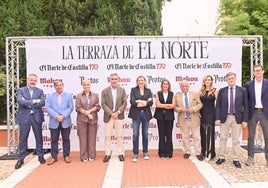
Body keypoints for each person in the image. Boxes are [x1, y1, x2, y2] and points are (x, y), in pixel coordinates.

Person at [215, 72, 248, 168]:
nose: (231, 80)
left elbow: (246, 106)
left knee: (236, 140)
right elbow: (218, 106)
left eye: (232, 78)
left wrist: (245, 120)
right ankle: (221, 157)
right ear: (226, 80)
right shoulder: (222, 91)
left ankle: (236, 159)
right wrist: (217, 118)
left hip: (237, 118)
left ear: (235, 79)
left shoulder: (242, 90)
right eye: (229, 78)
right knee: (223, 138)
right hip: (224, 117)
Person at [15, 74, 46, 169]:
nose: (32, 81)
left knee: (39, 137)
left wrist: (27, 102)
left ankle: (40, 156)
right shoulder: (21, 90)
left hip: (36, 117)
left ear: (36, 81)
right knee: (23, 139)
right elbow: (20, 101)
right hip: (24, 117)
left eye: (34, 80)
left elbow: (42, 103)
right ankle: (20, 159)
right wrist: (34, 101)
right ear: (27, 80)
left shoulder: (40, 91)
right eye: (31, 80)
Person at [45, 80, 74, 165]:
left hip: (65, 121)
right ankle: (54, 157)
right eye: (57, 85)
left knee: (66, 139)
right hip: (54, 121)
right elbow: (48, 108)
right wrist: (57, 116)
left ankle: (66, 155)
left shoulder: (68, 96)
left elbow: (71, 107)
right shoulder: (50, 96)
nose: (59, 86)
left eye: (60, 85)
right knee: (54, 140)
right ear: (54, 87)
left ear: (63, 86)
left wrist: (63, 115)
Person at [245, 64, 268, 166]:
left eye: (259, 70)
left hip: (265, 112)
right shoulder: (248, 85)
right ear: (253, 72)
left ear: (263, 71)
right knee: (251, 136)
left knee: (267, 136)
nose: (257, 72)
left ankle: (267, 158)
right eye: (255, 71)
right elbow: (246, 101)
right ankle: (250, 157)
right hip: (253, 112)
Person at [174, 79, 203, 161]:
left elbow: (200, 104)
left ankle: (198, 153)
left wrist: (194, 109)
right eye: (182, 86)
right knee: (185, 137)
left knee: (197, 137)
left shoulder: (195, 94)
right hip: (183, 119)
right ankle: (187, 152)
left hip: (194, 118)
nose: (184, 87)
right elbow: (174, 107)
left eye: (186, 86)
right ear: (180, 87)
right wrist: (180, 109)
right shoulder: (177, 96)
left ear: (188, 86)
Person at [101, 73, 127, 162]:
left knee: (119, 135)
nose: (114, 80)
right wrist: (112, 113)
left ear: (118, 80)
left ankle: (120, 153)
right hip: (109, 116)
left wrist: (118, 112)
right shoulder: (105, 91)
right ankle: (107, 153)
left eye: (116, 79)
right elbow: (103, 104)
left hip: (119, 116)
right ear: (109, 80)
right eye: (112, 79)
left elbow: (124, 103)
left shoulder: (122, 90)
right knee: (107, 135)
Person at [128, 76, 153, 162]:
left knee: (145, 134)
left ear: (145, 81)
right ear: (137, 82)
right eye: (139, 80)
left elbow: (151, 102)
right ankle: (135, 153)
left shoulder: (148, 91)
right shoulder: (133, 90)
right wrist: (145, 102)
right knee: (135, 134)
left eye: (142, 80)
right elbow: (132, 101)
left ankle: (145, 152)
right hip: (136, 115)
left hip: (146, 115)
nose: (141, 82)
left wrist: (140, 101)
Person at [76, 80, 101, 162]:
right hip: (82, 119)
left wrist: (89, 112)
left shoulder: (95, 95)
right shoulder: (79, 96)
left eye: (88, 84)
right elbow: (78, 107)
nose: (86, 86)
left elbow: (97, 106)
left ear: (90, 85)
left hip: (93, 119)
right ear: (82, 86)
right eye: (84, 85)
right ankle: (83, 156)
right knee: (83, 139)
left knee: (92, 138)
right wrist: (86, 113)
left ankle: (92, 155)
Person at [154, 79, 175, 159]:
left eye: (167, 84)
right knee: (161, 135)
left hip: (169, 117)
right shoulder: (158, 93)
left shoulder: (172, 94)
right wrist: (167, 106)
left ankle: (169, 153)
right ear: (162, 85)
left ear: (169, 86)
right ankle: (161, 153)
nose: (165, 85)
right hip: (160, 117)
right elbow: (157, 105)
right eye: (164, 84)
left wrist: (163, 105)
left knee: (169, 135)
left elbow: (173, 105)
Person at [199, 75, 218, 160]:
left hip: (211, 114)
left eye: (209, 80)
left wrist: (218, 116)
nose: (207, 81)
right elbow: (198, 103)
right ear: (204, 81)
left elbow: (218, 104)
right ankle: (203, 151)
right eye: (206, 80)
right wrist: (198, 113)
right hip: (202, 114)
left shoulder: (215, 91)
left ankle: (210, 153)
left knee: (210, 133)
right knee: (203, 133)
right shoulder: (201, 91)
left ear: (211, 81)